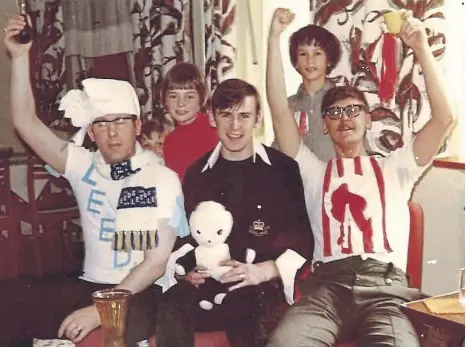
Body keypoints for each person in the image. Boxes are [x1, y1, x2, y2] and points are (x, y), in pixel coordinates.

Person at [266, 8, 456, 347]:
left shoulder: (396, 166)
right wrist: (273, 38)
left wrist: (422, 48)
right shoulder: (313, 171)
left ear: (368, 119)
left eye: (354, 110)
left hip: (386, 290)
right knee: (284, 342)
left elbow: (445, 119)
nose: (345, 118)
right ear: (325, 126)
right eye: (334, 113)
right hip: (327, 286)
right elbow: (280, 110)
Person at [4, 14, 189, 347]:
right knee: (10, 302)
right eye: (102, 124)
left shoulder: (162, 178)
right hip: (91, 283)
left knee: (125, 329)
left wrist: (97, 310)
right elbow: (24, 122)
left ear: (137, 127)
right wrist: (19, 59)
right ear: (90, 131)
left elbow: (157, 262)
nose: (112, 131)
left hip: (141, 291)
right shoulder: (83, 165)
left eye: (120, 122)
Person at [156, 78, 314, 347]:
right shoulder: (197, 173)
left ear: (258, 119)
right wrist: (185, 272)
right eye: (226, 116)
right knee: (170, 304)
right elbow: (185, 239)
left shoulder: (282, 169)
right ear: (212, 118)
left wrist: (264, 271)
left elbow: (302, 239)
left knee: (246, 309)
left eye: (244, 116)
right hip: (205, 286)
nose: (235, 126)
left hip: (257, 289)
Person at [271, 20, 341, 161]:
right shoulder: (288, 107)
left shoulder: (343, 101)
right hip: (295, 181)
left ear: (329, 60)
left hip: (334, 180)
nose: (310, 61)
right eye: (303, 54)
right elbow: (278, 150)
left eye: (317, 54)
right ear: (296, 62)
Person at [161, 62, 218, 181]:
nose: (181, 103)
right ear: (164, 99)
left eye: (189, 97)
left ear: (203, 98)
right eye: (173, 96)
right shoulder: (169, 141)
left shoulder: (215, 129)